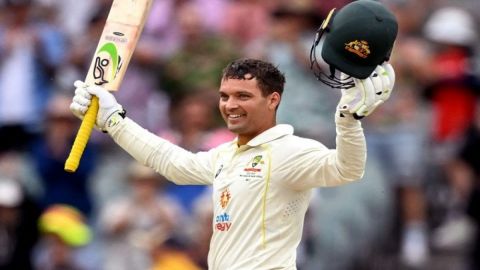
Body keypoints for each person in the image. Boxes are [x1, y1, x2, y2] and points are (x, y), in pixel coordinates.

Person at [69, 2, 396, 269]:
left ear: (273, 100)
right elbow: (168, 160)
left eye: (243, 96)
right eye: (225, 96)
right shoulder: (225, 156)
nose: (229, 105)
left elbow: (347, 169)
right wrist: (113, 118)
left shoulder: (292, 151)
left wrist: (349, 120)